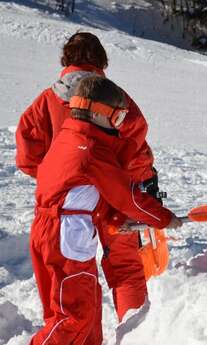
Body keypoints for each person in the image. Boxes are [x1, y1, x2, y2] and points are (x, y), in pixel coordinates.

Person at [16, 32, 162, 322]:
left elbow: (27, 156)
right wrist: (139, 183)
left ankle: (65, 334)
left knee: (64, 279)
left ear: (66, 59)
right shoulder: (115, 98)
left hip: (68, 205)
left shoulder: (46, 101)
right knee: (125, 268)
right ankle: (135, 336)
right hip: (116, 198)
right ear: (102, 60)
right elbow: (136, 146)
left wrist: (59, 179)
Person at [29, 75, 182, 344]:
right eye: (119, 118)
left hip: (54, 230)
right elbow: (128, 197)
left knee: (86, 304)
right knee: (74, 315)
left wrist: (113, 218)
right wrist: (163, 218)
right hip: (65, 238)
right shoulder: (90, 149)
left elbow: (81, 193)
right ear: (99, 113)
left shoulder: (68, 138)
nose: (120, 126)